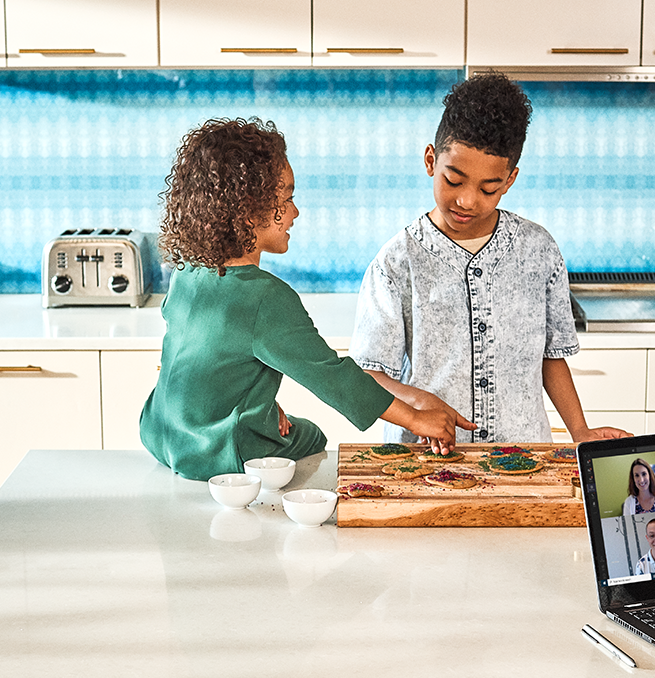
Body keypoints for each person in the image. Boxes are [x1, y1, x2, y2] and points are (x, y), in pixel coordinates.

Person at [139, 118, 472, 481]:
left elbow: (199, 360)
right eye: (288, 199)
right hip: (217, 452)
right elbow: (332, 377)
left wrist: (255, 403)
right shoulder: (265, 297)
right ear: (248, 210)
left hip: (160, 432)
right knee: (312, 435)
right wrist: (417, 418)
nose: (295, 213)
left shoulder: (189, 272)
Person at [349, 73, 630, 445]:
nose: (467, 200)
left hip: (524, 456)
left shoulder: (539, 250)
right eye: (454, 180)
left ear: (510, 179)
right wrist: (421, 403)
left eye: (488, 188)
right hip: (428, 463)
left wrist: (580, 430)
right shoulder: (396, 263)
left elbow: (550, 357)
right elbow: (367, 375)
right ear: (431, 160)